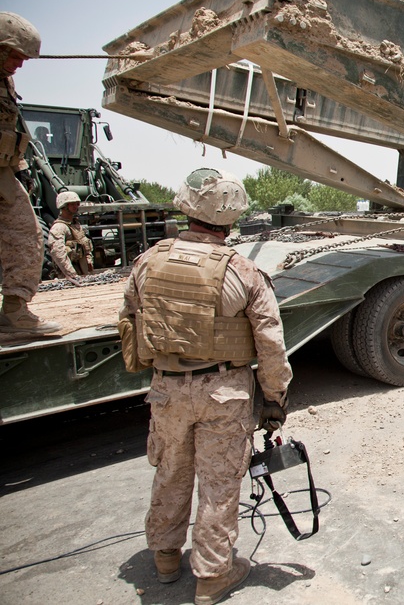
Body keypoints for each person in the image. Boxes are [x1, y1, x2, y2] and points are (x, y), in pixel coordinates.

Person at [118, 168, 292, 605]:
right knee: (218, 485)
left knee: (171, 473)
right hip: (225, 393)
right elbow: (271, 345)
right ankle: (214, 575)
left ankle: (165, 556)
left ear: (188, 208)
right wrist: (274, 399)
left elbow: (129, 320)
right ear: (230, 219)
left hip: (167, 390)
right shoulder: (243, 272)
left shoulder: (147, 261)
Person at [0, 11, 59, 334]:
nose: (20, 65)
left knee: (26, 235)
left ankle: (14, 310)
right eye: (15, 55)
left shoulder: (4, 80)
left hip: (5, 173)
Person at [47, 191, 94, 280]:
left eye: (76, 204)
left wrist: (89, 261)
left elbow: (85, 245)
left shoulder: (76, 225)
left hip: (82, 273)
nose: (75, 207)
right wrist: (72, 275)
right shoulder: (59, 227)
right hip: (67, 276)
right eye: (72, 204)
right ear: (64, 206)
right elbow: (58, 252)